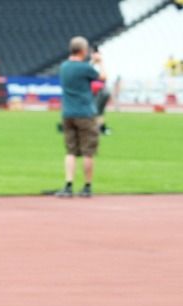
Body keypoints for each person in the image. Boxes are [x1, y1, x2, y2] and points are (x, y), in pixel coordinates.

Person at [55, 36, 105, 198]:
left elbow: (81, 73)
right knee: (87, 152)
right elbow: (102, 77)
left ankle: (68, 184)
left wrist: (90, 63)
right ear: (83, 50)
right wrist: (99, 61)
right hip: (85, 112)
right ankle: (87, 186)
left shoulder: (63, 67)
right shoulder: (85, 68)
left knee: (70, 151)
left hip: (68, 112)